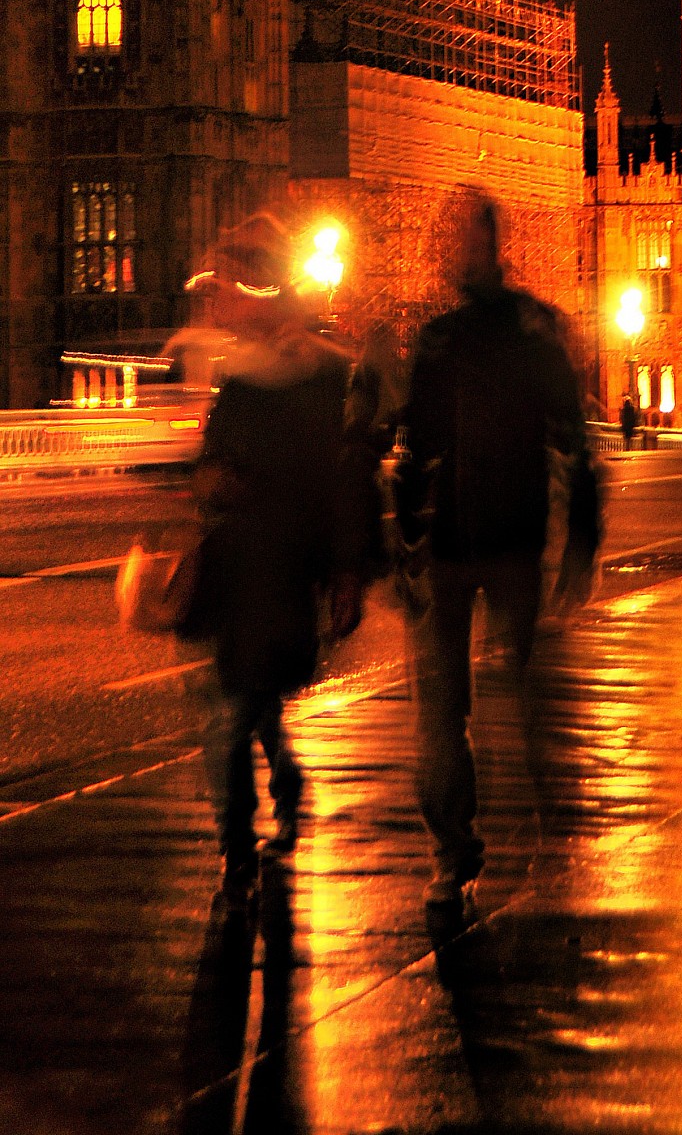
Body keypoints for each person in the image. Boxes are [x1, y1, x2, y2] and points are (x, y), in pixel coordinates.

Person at [394, 190, 599, 916]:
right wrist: (405, 540)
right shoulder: (440, 338)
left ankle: (544, 830)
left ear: (491, 244)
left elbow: (572, 435)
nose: (457, 250)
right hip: (450, 544)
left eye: (468, 237)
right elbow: (415, 446)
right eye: (451, 238)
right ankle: (453, 850)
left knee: (528, 700)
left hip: (511, 540)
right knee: (440, 715)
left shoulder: (526, 330)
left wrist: (582, 538)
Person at [191, 216, 379, 913]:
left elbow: (341, 481)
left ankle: (237, 849)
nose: (219, 297)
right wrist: (210, 480)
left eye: (230, 283)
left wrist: (348, 572)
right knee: (251, 704)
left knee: (230, 714)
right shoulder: (239, 378)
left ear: (259, 286)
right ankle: (279, 794)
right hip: (238, 570)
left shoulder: (314, 374)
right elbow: (214, 461)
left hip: (283, 569)